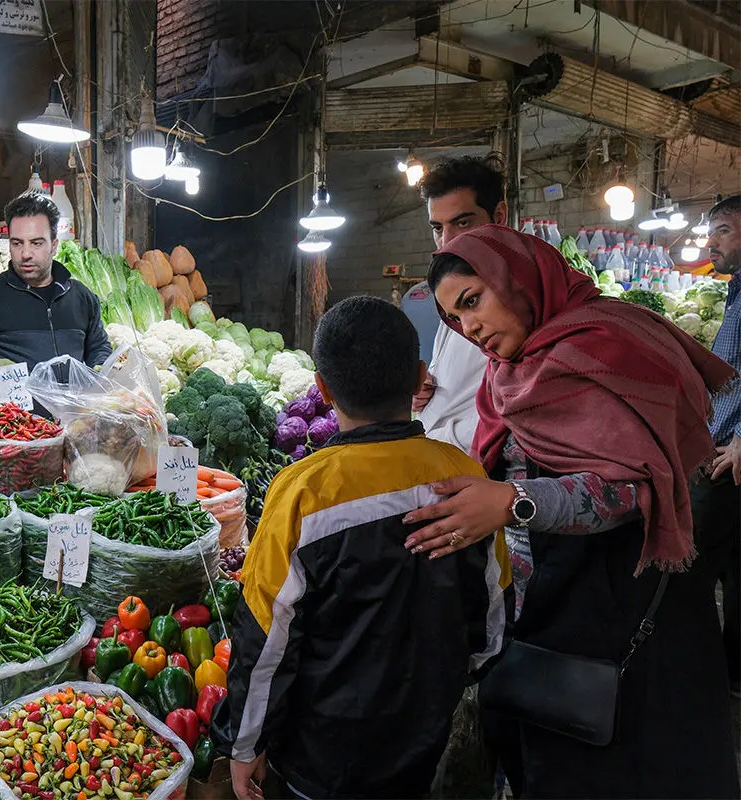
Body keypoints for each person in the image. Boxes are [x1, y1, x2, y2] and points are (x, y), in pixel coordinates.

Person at [405, 224, 739, 797]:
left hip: (629, 608)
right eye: (455, 320)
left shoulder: (607, 343)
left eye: (473, 301)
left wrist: (513, 502)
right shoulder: (510, 371)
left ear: (519, 279)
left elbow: (637, 488)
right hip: (557, 610)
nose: (471, 328)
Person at [214, 296, 511, 800]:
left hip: (319, 757)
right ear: (421, 377)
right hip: (421, 738)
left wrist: (244, 746)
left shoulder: (301, 492)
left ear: (322, 388)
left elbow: (265, 642)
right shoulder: (463, 476)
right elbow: (491, 617)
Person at [0, 192, 112, 411]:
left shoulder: (81, 297)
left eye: (36, 243)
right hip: (7, 432)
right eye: (17, 243)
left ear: (54, 245)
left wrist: (101, 367)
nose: (25, 253)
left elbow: (98, 346)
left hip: (72, 427)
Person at [412, 155, 504, 454]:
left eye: (462, 222)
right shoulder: (457, 286)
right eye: (438, 228)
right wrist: (424, 390)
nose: (448, 241)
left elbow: (512, 416)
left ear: (499, 216)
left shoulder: (524, 298)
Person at [693, 193, 741, 698]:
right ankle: (727, 673)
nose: (712, 241)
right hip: (723, 448)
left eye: (723, 229)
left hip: (731, 454)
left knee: (696, 565)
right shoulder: (735, 291)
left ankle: (696, 676)